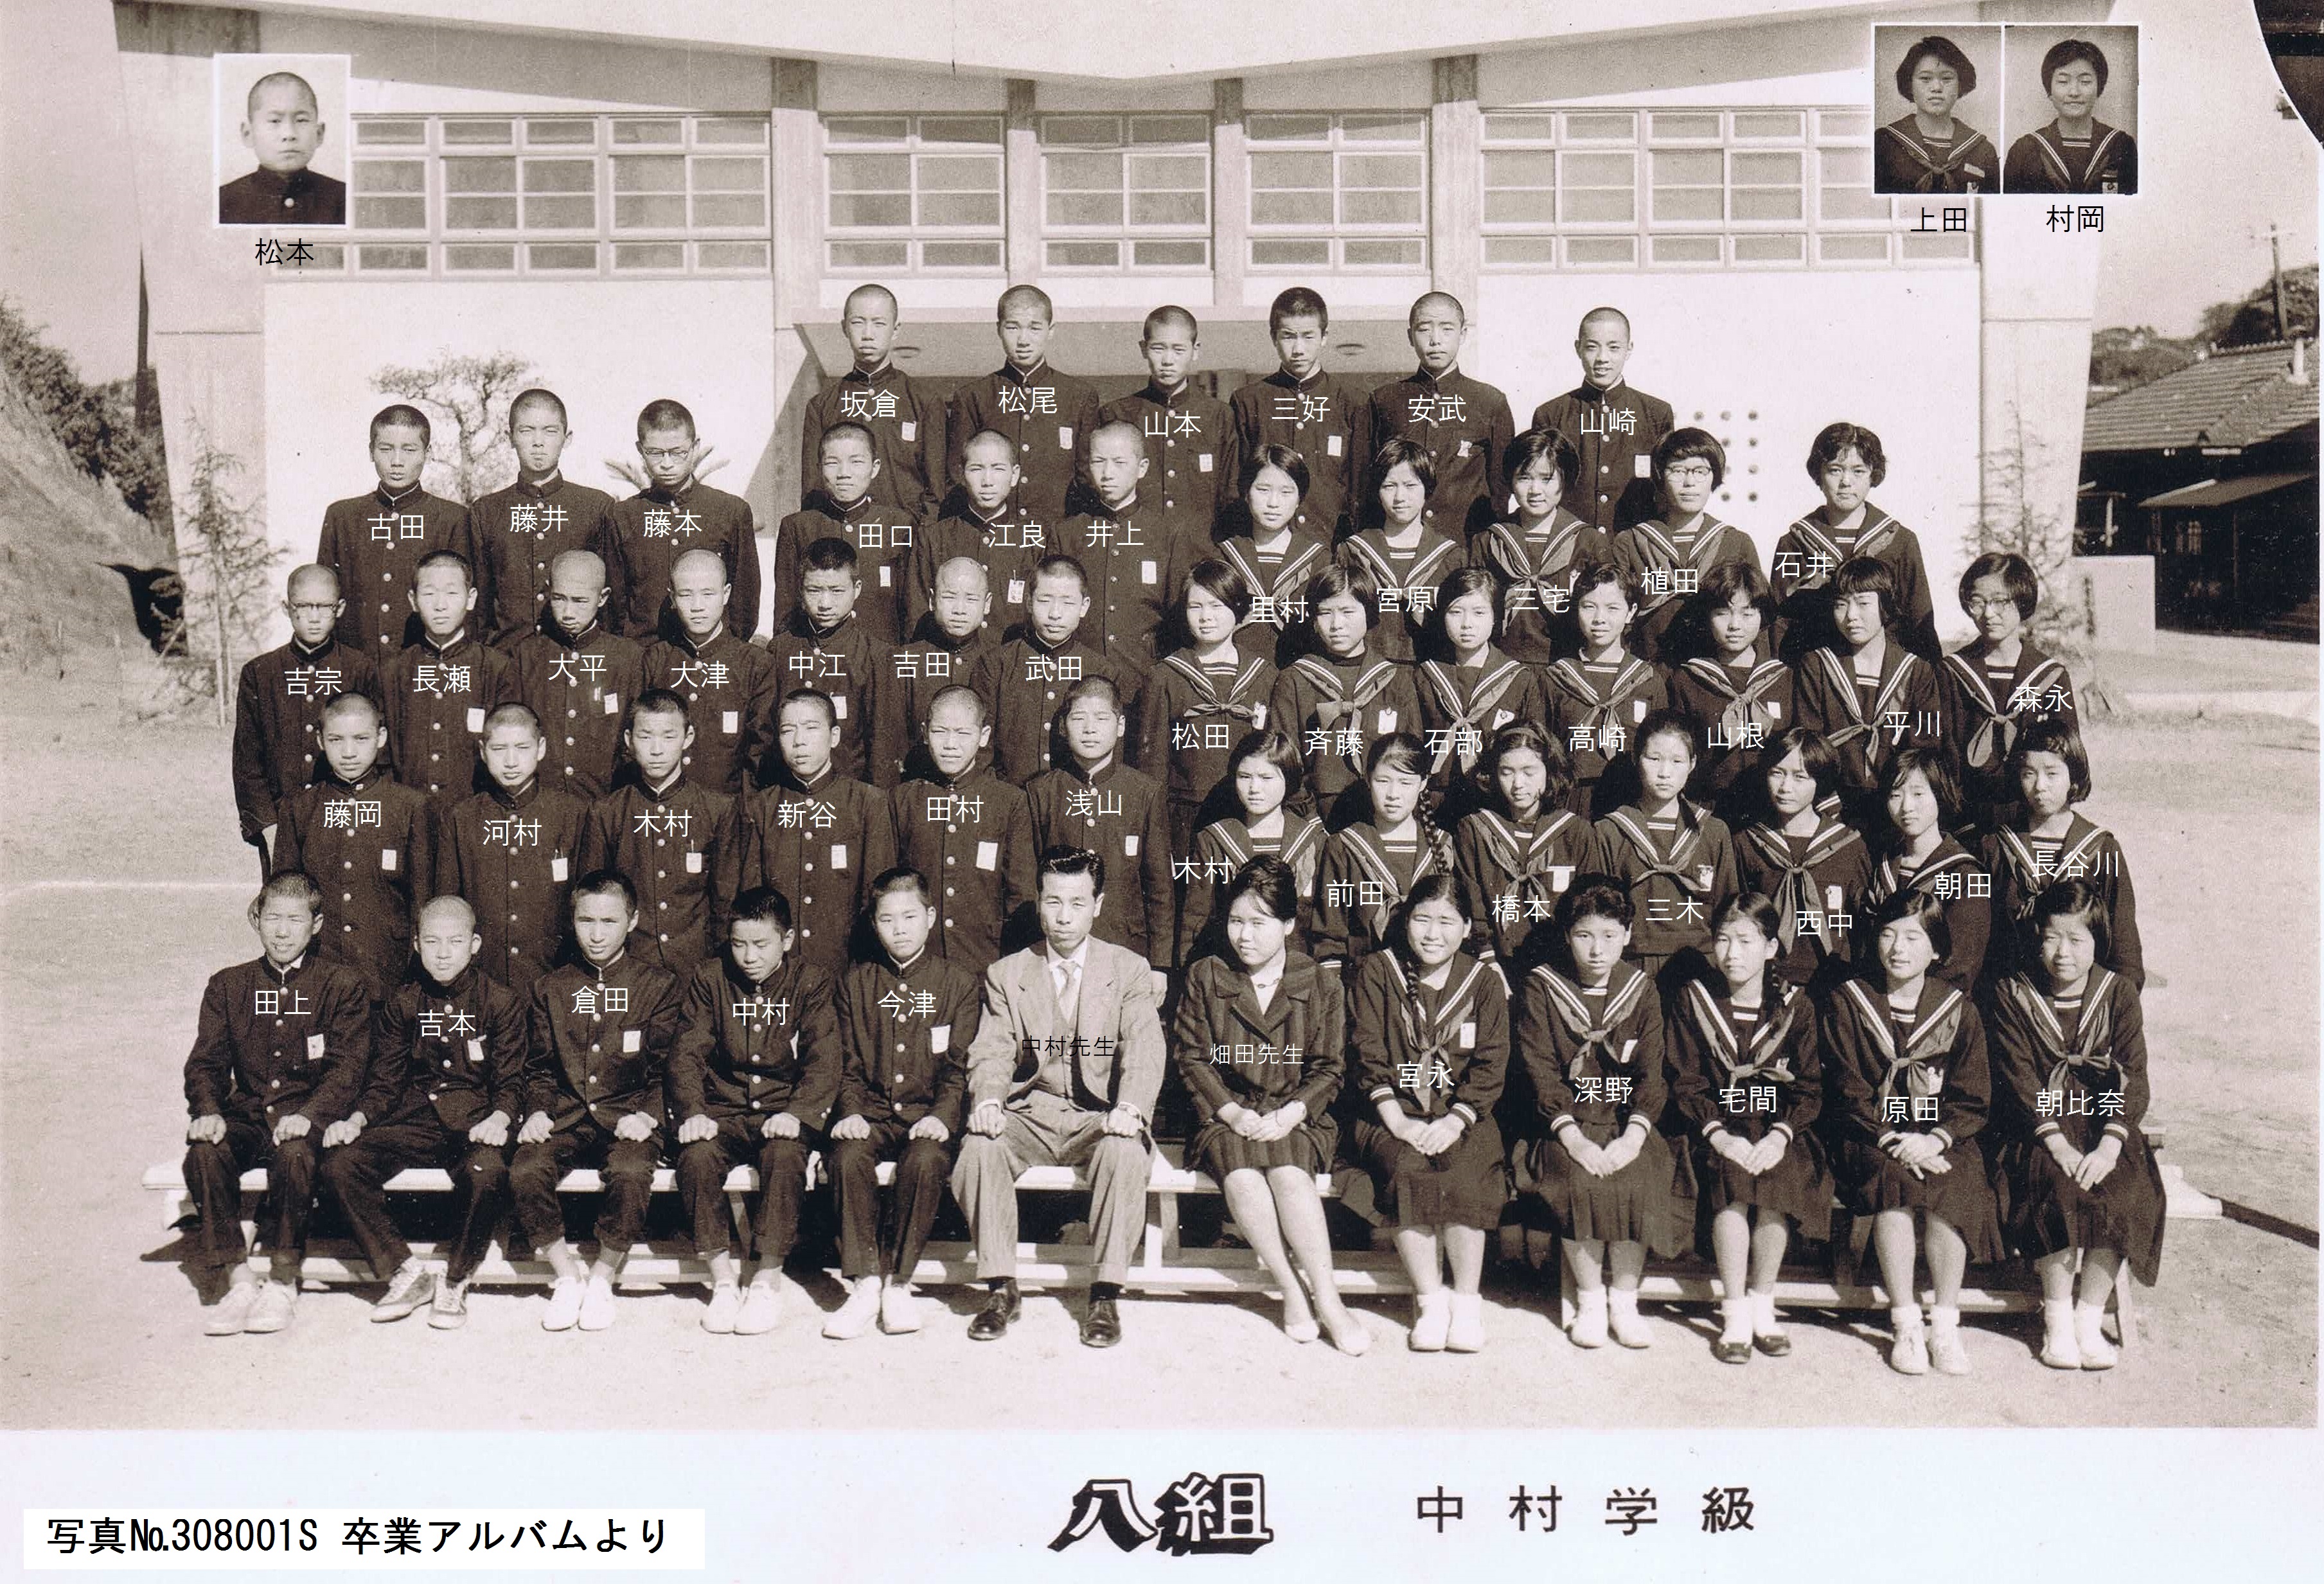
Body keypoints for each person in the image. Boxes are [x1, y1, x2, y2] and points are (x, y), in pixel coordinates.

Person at [954, 846, 1166, 1348]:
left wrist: (1130, 1108)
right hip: (1033, 1112)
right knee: (978, 1148)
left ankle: (1105, 1292)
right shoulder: (1008, 973)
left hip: (1099, 1115)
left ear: (1098, 904)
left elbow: (1144, 1044)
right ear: (1038, 902)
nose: (1064, 916)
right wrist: (988, 1100)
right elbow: (993, 1047)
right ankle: (1001, 1287)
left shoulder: (1128, 968)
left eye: (1077, 902)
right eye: (1053, 902)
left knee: (1124, 1153)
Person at [1172, 858, 1369, 1354]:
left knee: (1289, 1174)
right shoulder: (1206, 975)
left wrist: (1290, 1113)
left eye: (1259, 922)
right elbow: (1192, 1058)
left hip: (1295, 1112)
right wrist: (1232, 1112)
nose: (1244, 935)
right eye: (1236, 921)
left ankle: (1328, 1297)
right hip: (1227, 1114)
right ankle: (1291, 1288)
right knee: (1242, 1175)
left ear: (1287, 924)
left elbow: (1329, 1067)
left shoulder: (1320, 983)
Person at [317, 896, 526, 1330]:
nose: (443, 953)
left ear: (475, 944)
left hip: (476, 1123)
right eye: (431, 942)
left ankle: (456, 1278)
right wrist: (357, 1119)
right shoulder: (405, 1003)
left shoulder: (500, 1002)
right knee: (341, 1162)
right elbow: (386, 1080)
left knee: (487, 1172)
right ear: (416, 944)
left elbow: (511, 1081)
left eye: (455, 942)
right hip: (416, 1119)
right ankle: (404, 1271)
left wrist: (500, 1118)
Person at [181, 872, 373, 1336]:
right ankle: (239, 1278)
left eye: (294, 920)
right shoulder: (229, 985)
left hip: (306, 1122)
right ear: (256, 919)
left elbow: (347, 1069)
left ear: (317, 924)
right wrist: (208, 1111)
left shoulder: (341, 985)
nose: (282, 932)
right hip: (250, 1118)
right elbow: (205, 1063)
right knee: (205, 1153)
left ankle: (284, 1279)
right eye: (272, 919)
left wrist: (310, 1115)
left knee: (295, 1156)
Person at [1822, 889, 2003, 1376]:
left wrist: (1934, 1139)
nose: (1897, 948)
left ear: (1936, 949)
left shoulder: (1958, 1009)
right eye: (1887, 935)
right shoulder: (1849, 1001)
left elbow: (1972, 1095)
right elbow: (1846, 1089)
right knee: (1892, 1181)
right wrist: (1892, 1140)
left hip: (1939, 1136)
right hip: (1870, 1135)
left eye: (1912, 937)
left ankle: (1944, 1323)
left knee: (1954, 1182)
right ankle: (1904, 1321)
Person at [1985, 879, 2164, 1370]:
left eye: (2075, 940)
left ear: (2097, 941)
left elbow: (2132, 1073)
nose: (2062, 952)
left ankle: (2088, 1316)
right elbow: (2019, 1078)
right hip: (2037, 1125)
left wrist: (2108, 1144)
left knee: (2123, 1187)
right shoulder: (2012, 992)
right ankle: (2058, 1317)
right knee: (2056, 1185)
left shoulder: (2117, 992)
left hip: (2102, 1121)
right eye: (2051, 938)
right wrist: (2058, 1144)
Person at [512, 870, 685, 1332]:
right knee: (526, 1168)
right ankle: (567, 1276)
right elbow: (540, 1068)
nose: (596, 934)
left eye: (609, 921)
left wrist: (648, 1115)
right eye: (585, 920)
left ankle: (603, 1278)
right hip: (566, 1115)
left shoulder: (658, 986)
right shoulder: (551, 988)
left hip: (629, 1115)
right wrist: (537, 1111)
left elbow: (668, 1067)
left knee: (630, 1171)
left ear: (633, 921)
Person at [1348, 873, 1511, 1353]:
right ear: (1405, 921)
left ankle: (1466, 1303)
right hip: (1390, 1111)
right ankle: (1430, 1301)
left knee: (1464, 1171)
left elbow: (1491, 1063)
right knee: (1408, 1168)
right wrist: (1398, 1121)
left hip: (1462, 1113)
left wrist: (1455, 1120)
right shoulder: (1378, 971)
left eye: (1446, 921)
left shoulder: (1483, 982)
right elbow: (1366, 1051)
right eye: (1422, 919)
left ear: (1467, 928)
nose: (1432, 933)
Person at [1514, 882, 1681, 1349]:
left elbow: (1651, 1073)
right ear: (1567, 936)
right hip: (1564, 1123)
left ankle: (1624, 1301)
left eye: (1609, 935)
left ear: (1627, 935)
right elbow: (1540, 1071)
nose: (1597, 949)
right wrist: (1575, 1140)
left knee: (1638, 1177)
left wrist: (1632, 1138)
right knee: (1579, 1181)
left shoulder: (1640, 988)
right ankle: (1589, 1300)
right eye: (1584, 935)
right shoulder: (1542, 986)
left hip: (1625, 1119)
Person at [1667, 893, 1832, 1364]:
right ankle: (1735, 1310)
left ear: (1771, 947)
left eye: (1745, 941)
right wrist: (1719, 1134)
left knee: (1778, 1178)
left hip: (1777, 1127)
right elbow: (1686, 1080)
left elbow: (1808, 1087)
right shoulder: (1694, 1000)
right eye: (1722, 940)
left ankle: (1763, 1302)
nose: (1732, 953)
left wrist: (1780, 1135)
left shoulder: (1796, 1006)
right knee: (1732, 1179)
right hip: (1713, 1126)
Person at [670, 886, 841, 1335]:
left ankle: (766, 1279)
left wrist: (799, 1112)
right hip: (724, 1110)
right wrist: (694, 1111)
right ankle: (723, 1281)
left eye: (761, 944)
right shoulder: (710, 979)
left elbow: (824, 1059)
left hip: (783, 1111)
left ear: (787, 939)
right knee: (696, 1156)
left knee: (784, 1155)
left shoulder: (810, 982)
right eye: (739, 944)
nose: (749, 957)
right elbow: (687, 1053)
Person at [822, 868, 981, 1340]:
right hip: (869, 1112)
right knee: (846, 1157)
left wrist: (942, 1116)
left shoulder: (957, 983)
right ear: (874, 924)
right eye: (887, 919)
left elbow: (958, 1066)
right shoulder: (854, 983)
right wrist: (850, 1110)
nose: (900, 929)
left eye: (910, 917)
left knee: (926, 1161)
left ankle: (899, 1280)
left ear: (930, 917)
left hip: (926, 1114)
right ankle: (865, 1281)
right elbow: (844, 1060)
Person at [272, 691, 433, 1001]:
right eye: (336, 740)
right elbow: (286, 897)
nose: (348, 752)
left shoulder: (410, 807)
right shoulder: (300, 808)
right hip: (319, 971)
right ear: (320, 741)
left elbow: (422, 898)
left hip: (388, 972)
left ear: (381, 737)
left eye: (361, 739)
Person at [577, 690, 745, 975]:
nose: (657, 750)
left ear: (688, 738)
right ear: (629, 740)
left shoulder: (717, 809)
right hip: (631, 966)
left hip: (696, 965)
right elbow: (592, 899)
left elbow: (725, 901)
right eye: (645, 737)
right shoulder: (608, 812)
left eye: (668, 737)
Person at [232, 565, 380, 878]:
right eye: (303, 606)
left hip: (345, 816)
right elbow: (248, 761)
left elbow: (374, 751)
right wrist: (268, 826)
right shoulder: (261, 674)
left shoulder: (360, 669)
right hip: (280, 822)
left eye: (324, 607)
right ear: (287, 608)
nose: (314, 617)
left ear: (340, 608)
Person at [1132, 559, 1276, 871]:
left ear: (1238, 609)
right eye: (1195, 607)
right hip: (1184, 817)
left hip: (1247, 812)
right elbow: (1152, 764)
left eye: (1216, 605)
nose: (1206, 617)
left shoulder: (1264, 676)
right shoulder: (1165, 676)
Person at [434, 703, 587, 996]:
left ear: (541, 748)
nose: (511, 761)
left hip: (553, 976)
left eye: (522, 748)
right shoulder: (461, 818)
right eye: (499, 749)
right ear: (483, 752)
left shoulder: (572, 814)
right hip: (482, 980)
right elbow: (449, 903)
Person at [1980, 720, 2143, 989]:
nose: (2040, 786)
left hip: (2083, 996)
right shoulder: (1996, 847)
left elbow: (2123, 944)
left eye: (2052, 773)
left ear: (2073, 777)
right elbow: (1981, 937)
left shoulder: (2102, 850)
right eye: (2029, 774)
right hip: (2014, 997)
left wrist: (2120, 1001)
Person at [739, 689, 893, 972]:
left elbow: (878, 901)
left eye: (811, 728)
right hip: (781, 974)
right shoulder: (762, 807)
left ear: (834, 736)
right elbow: (753, 903)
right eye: (788, 730)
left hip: (846, 970)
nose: (799, 741)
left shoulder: (867, 804)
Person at [1025, 677, 1173, 972]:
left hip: (1125, 947)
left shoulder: (1144, 792)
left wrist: (1160, 966)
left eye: (1102, 719)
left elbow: (1159, 887)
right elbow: (1031, 880)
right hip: (1057, 949)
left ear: (1121, 726)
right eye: (1079, 718)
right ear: (1063, 727)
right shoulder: (1042, 792)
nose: (1090, 729)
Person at [889, 686, 1038, 974]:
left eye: (963, 733)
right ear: (925, 733)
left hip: (985, 960)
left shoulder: (1008, 802)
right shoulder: (904, 800)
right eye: (940, 732)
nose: (950, 744)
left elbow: (1020, 894)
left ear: (984, 736)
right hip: (921, 962)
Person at [1264, 565, 1423, 829]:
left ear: (1369, 613)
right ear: (1313, 620)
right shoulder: (1295, 680)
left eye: (1348, 612)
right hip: (1314, 818)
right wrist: (1309, 822)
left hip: (1385, 815)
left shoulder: (1395, 680)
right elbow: (1283, 762)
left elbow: (1412, 758)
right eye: (1325, 613)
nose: (1337, 624)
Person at [1592, 711, 1738, 992]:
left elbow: (1728, 911)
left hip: (1699, 966)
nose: (1664, 772)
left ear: (1692, 764)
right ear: (1636, 759)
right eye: (1654, 759)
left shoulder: (1713, 831)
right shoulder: (1610, 831)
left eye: (1677, 761)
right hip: (1630, 965)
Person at [316, 405, 476, 661]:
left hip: (423, 666)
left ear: (428, 453)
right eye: (386, 449)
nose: (397, 461)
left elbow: (464, 608)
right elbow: (323, 598)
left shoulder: (451, 518)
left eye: (409, 450)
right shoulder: (342, 516)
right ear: (371, 451)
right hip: (354, 667)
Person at [1789, 556, 1946, 815]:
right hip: (1830, 808)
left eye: (1863, 603)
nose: (1851, 616)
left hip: (1898, 808)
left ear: (1885, 606)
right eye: (1841, 605)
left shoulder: (1917, 671)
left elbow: (1926, 747)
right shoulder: (1816, 665)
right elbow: (1808, 744)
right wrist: (1829, 809)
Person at [596, 398, 761, 643]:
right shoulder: (622, 516)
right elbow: (614, 607)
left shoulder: (730, 512)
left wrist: (726, 652)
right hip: (643, 654)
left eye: (677, 452)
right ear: (640, 450)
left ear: (695, 446)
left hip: (711, 656)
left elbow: (744, 602)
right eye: (655, 453)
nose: (666, 464)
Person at [1771, 424, 1940, 662]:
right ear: (1819, 474)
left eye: (1858, 471)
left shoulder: (1900, 541)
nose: (1846, 481)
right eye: (1835, 470)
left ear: (1873, 475)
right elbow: (1779, 620)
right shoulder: (1794, 543)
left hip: (1885, 670)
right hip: (1814, 670)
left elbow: (1919, 618)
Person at [966, 555, 1135, 787]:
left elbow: (1111, 758)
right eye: (1045, 601)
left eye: (1068, 603)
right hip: (1010, 795)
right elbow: (981, 751)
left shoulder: (1102, 670)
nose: (1055, 613)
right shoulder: (996, 665)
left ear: (1084, 606)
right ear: (1029, 602)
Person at [1941, 551, 2079, 833]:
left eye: (2000, 602)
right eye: (1978, 602)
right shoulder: (1952, 672)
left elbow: (2067, 753)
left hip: (2031, 819)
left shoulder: (2050, 677)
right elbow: (1940, 750)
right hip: (1963, 819)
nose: (1988, 614)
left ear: (2022, 600)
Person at [468, 389, 617, 647]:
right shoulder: (486, 512)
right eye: (526, 431)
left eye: (550, 431)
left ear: (567, 438)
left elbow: (610, 601)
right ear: (510, 437)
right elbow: (480, 606)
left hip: (572, 655)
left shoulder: (596, 507)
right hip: (506, 656)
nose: (538, 442)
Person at [946, 285, 1103, 529]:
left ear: (1051, 330)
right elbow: (958, 475)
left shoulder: (1078, 397)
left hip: (1057, 536)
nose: (1023, 340)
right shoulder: (974, 397)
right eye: (1013, 328)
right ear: (998, 329)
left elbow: (1087, 478)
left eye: (1034, 328)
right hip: (993, 534)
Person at [1364, 292, 1517, 538]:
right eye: (1424, 330)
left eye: (1447, 329)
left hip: (1466, 544)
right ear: (1410, 336)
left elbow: (1501, 487)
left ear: (1463, 334)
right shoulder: (1385, 400)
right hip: (1400, 542)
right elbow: (1368, 483)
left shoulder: (1489, 402)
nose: (1435, 340)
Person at [1732, 727, 1872, 992]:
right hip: (1766, 983)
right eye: (1777, 773)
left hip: (1834, 985)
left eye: (1800, 777)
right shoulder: (1747, 843)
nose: (1786, 788)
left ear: (1820, 781)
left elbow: (1861, 926)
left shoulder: (1848, 846)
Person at [1176, 727, 1326, 970]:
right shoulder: (1214, 841)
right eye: (1245, 776)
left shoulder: (1313, 841)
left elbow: (1324, 922)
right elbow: (1195, 919)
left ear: (1289, 780)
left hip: (1297, 973)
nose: (1254, 788)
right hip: (1230, 971)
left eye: (1266, 778)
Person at [1453, 722, 1596, 974]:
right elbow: (1471, 904)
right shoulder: (1475, 830)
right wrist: (1488, 961)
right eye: (1507, 772)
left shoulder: (1575, 832)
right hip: (1493, 966)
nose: (1518, 784)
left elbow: (1589, 908)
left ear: (1549, 771)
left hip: (1562, 968)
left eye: (1529, 772)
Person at [1610, 428, 1762, 664]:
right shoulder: (1631, 543)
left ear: (1714, 477)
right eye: (1677, 470)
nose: (1689, 482)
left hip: (1717, 673)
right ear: (1660, 477)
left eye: (1700, 471)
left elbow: (1757, 617)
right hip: (1647, 670)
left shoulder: (1736, 543)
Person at [507, 549, 648, 802]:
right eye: (559, 599)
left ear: (603, 598)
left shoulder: (627, 658)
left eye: (580, 601)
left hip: (604, 801)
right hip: (542, 802)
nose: (568, 612)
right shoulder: (527, 655)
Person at [799, 285, 947, 525]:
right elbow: (812, 491)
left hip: (905, 536)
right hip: (842, 536)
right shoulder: (822, 406)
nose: (868, 334)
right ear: (844, 328)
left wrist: (920, 536)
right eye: (858, 323)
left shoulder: (924, 401)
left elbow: (937, 490)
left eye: (879, 323)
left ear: (895, 329)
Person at [379, 551, 514, 808]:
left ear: (471, 598)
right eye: (429, 594)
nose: (440, 605)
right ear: (413, 600)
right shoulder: (394, 671)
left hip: (474, 813)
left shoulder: (495, 667)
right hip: (409, 813)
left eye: (452, 593)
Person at [1311, 734, 1454, 975]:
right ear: (1368, 779)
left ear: (1423, 783)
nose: (1393, 794)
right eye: (1383, 781)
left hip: (1431, 978)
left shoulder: (1442, 846)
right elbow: (1330, 935)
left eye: (1406, 782)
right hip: (1363, 980)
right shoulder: (1344, 847)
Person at [1230, 287, 1365, 540]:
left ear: (1324, 337)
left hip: (1330, 545)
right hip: (1266, 545)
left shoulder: (1352, 402)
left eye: (1308, 336)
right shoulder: (1249, 402)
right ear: (1274, 337)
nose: (1298, 349)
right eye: (1288, 337)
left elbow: (1359, 488)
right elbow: (1238, 485)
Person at [641, 547, 779, 795]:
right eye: (686, 595)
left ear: (726, 594)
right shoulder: (656, 660)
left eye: (708, 594)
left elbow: (760, 753)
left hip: (729, 807)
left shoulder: (755, 664)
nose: (697, 606)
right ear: (672, 598)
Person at [1097, 306, 1235, 550]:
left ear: (1195, 351)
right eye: (1158, 349)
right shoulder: (1119, 414)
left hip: (1200, 553)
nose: (1168, 360)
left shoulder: (1218, 416)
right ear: (1144, 349)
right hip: (1136, 548)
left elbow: (1230, 494)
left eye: (1179, 350)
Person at [1467, 428, 1608, 668]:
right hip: (1501, 667)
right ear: (1511, 480)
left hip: (1568, 667)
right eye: (1524, 478)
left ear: (1565, 479)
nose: (1535, 490)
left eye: (1547, 479)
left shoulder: (1588, 542)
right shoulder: (1490, 541)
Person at [1664, 560, 1793, 823]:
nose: (1735, 625)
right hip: (1707, 812)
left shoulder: (1783, 679)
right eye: (1723, 613)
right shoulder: (1688, 680)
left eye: (1748, 614)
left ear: (1763, 616)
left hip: (1772, 814)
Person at [1528, 308, 1674, 534]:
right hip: (1571, 542)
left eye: (1614, 348)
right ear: (1578, 348)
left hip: (1634, 543)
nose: (1602, 358)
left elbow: (1666, 490)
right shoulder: (1552, 414)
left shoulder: (1655, 414)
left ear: (1629, 349)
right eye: (1592, 347)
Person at [776, 421, 920, 648]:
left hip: (883, 657)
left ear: (875, 468)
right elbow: (786, 611)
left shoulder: (899, 525)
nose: (844, 474)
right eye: (832, 463)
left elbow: (912, 608)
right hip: (817, 656)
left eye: (856, 462)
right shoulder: (798, 527)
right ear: (819, 468)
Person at [1051, 420, 1181, 667]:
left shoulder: (1167, 534)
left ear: (1142, 468)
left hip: (1144, 671)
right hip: (1081, 670)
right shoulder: (1068, 533)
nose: (1108, 473)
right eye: (1098, 462)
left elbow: (1177, 617)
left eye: (1120, 463)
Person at [1414, 565, 1548, 802]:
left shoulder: (1519, 679)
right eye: (1456, 612)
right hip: (1434, 799)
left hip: (1498, 799)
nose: (1467, 624)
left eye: (1479, 613)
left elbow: (1534, 749)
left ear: (1496, 616)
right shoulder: (1425, 676)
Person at [1860, 748, 1991, 991]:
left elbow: (1962, 964)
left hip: (1936, 1003)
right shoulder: (1883, 864)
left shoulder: (1964, 874)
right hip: (1878, 996)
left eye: (1918, 794)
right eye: (1895, 795)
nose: (1906, 807)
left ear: (1940, 795)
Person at [1543, 562, 1665, 819]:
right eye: (1589, 607)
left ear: (1631, 612)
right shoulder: (1556, 678)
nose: (1599, 619)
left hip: (1632, 801)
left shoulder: (1647, 680)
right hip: (1570, 801)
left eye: (1613, 608)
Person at [766, 537, 884, 783]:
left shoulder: (876, 656)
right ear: (800, 590)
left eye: (837, 591)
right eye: (814, 590)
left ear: (857, 589)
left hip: (850, 793)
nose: (825, 604)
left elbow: (881, 747)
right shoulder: (781, 650)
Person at [1336, 438, 1464, 665]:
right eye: (1389, 486)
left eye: (1410, 486)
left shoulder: (1451, 556)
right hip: (1366, 670)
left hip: (1431, 670)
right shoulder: (1354, 552)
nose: (1400, 497)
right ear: (1377, 491)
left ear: (1427, 489)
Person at [874, 554, 998, 787]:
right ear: (932, 600)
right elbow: (887, 745)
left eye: (971, 599)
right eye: (949, 597)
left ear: (987, 603)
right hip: (916, 789)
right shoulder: (903, 661)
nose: (959, 610)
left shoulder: (997, 661)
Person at [1210, 446, 1334, 668]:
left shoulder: (1319, 559)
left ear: (1299, 499)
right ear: (1246, 493)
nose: (1273, 503)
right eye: (1263, 490)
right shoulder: (1225, 556)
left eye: (1286, 492)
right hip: (1235, 674)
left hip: (1300, 675)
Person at [916, 429, 1037, 634]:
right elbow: (917, 613)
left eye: (998, 469)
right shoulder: (934, 538)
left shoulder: (1033, 541)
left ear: (1015, 475)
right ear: (962, 474)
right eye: (976, 469)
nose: (987, 481)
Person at [2003, 37, 2138, 194]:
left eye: (2085, 81)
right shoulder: (2024, 150)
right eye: (2063, 81)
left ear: (2099, 88)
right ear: (2049, 90)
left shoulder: (2121, 146)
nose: (2074, 92)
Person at [1874, 35, 2000, 194]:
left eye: (1947, 78)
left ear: (1960, 85)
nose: (1937, 88)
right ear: (1910, 84)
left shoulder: (1983, 151)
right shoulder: (1884, 144)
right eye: (1925, 78)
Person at [218, 70, 345, 225]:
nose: (289, 134)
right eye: (275, 121)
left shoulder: (343, 199)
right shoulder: (223, 202)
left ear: (319, 133)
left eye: (301, 120)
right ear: (248, 134)